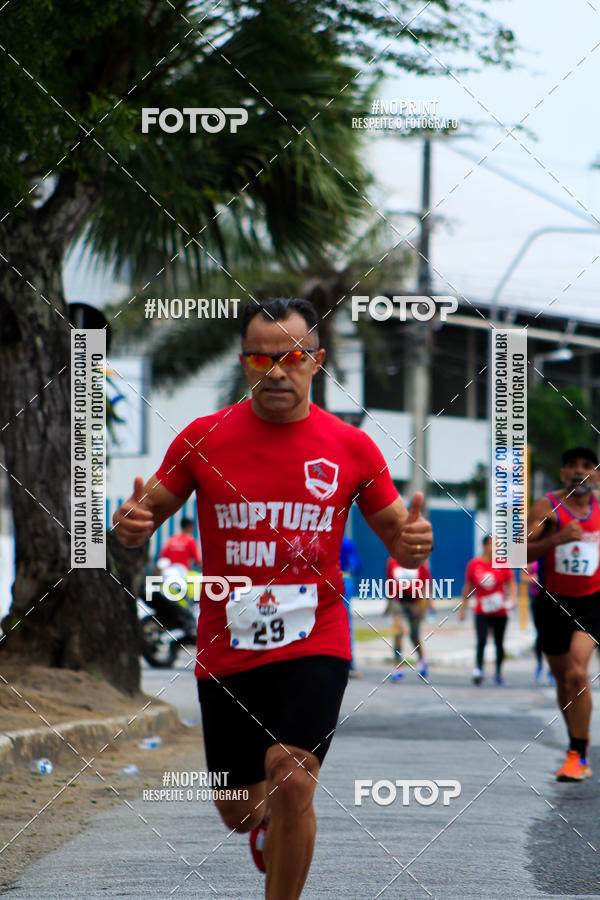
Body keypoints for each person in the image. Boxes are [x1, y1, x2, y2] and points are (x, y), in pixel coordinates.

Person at [112, 297, 434, 899]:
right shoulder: (204, 438)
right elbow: (148, 509)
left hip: (317, 635)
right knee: (237, 808)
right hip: (227, 645)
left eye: (292, 356)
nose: (277, 371)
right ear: (245, 364)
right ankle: (261, 827)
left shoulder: (350, 447)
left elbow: (399, 533)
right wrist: (131, 522)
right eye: (262, 358)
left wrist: (414, 543)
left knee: (292, 779)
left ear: (317, 361)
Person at [527, 446, 600, 782]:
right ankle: (575, 745)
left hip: (593, 601)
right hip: (553, 601)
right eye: (571, 466)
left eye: (587, 466)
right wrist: (556, 538)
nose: (579, 472)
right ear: (562, 473)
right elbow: (518, 550)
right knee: (562, 679)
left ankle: (578, 754)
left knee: (577, 673)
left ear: (596, 475)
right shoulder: (547, 506)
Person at [459, 535, 516, 686]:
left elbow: (511, 583)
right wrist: (463, 608)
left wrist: (513, 600)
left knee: (499, 642)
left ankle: (498, 672)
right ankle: (478, 669)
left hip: (500, 611)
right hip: (482, 610)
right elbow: (467, 587)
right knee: (481, 640)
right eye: (492, 544)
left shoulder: (503, 563)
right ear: (484, 546)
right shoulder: (474, 564)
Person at [384, 556, 433, 681]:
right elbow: (389, 582)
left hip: (415, 601)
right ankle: (397, 665)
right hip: (398, 600)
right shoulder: (392, 562)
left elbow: (427, 581)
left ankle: (422, 660)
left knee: (414, 634)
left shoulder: (419, 561)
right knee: (398, 633)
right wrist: (388, 606)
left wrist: (428, 603)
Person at [340, 535, 362, 676]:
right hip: (344, 579)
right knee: (345, 623)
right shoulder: (346, 542)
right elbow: (357, 566)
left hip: (322, 580)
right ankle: (349, 662)